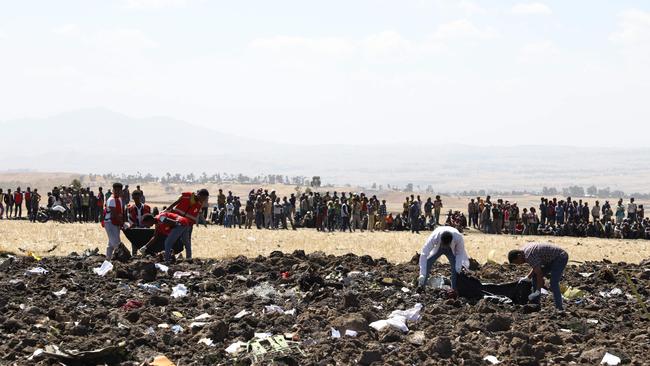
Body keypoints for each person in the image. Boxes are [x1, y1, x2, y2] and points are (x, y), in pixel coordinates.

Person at [508, 242, 569, 310]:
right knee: (534, 277)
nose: (519, 264)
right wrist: (528, 277)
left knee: (553, 283)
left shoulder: (529, 255)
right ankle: (535, 304)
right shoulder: (524, 251)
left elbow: (539, 274)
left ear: (519, 256)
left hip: (560, 257)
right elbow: (536, 267)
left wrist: (538, 290)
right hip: (550, 259)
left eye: (517, 262)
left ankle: (559, 308)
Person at [418, 226, 470, 290]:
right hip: (439, 248)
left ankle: (454, 289)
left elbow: (459, 253)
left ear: (450, 242)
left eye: (446, 245)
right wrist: (422, 274)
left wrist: (458, 268)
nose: (445, 247)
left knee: (455, 268)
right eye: (444, 245)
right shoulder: (435, 236)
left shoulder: (458, 238)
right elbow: (424, 254)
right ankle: (422, 286)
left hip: (450, 250)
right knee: (428, 262)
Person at [163, 189, 209, 261]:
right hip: (176, 221)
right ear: (200, 195)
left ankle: (188, 258)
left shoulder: (199, 204)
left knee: (186, 242)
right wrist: (167, 210)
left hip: (186, 225)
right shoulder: (187, 196)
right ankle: (168, 258)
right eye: (204, 198)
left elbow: (194, 216)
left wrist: (190, 226)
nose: (204, 200)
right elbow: (176, 202)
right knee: (170, 240)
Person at [103, 183, 125, 260]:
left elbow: (121, 213)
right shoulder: (111, 200)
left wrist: (122, 222)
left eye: (119, 190)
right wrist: (122, 223)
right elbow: (114, 215)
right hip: (110, 223)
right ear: (113, 190)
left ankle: (108, 259)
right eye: (115, 190)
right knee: (116, 243)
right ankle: (118, 260)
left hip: (116, 222)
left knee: (111, 243)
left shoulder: (119, 199)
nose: (117, 192)